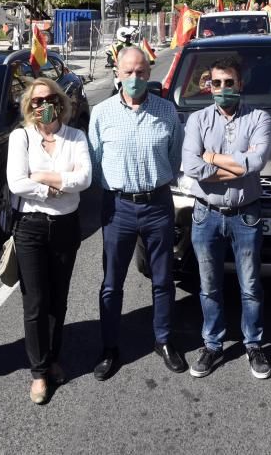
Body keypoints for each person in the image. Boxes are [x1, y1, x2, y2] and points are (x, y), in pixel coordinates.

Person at [89, 46, 186, 380]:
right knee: (112, 283)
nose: (134, 78)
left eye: (141, 72)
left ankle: (163, 340)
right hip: (118, 207)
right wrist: (118, 186)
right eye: (128, 72)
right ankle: (109, 347)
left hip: (158, 204)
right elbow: (96, 159)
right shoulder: (100, 114)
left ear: (149, 73)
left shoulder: (166, 111)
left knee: (162, 279)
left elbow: (174, 157)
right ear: (117, 72)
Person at [182, 57, 271, 380]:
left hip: (245, 214)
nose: (222, 89)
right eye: (216, 83)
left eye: (228, 83)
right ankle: (213, 344)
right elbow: (191, 167)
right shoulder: (197, 120)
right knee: (208, 285)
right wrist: (236, 165)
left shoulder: (259, 117)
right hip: (206, 215)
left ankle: (254, 344)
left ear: (240, 84)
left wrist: (212, 160)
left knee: (250, 285)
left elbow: (257, 161)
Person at [6, 77, 92, 404]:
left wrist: (40, 177)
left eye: (50, 99)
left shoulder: (75, 137)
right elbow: (16, 183)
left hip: (66, 226)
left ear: (60, 102)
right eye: (37, 101)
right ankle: (39, 371)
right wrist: (52, 188)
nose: (44, 106)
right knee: (36, 302)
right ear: (29, 107)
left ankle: (54, 358)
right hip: (31, 227)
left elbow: (84, 178)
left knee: (59, 300)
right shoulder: (21, 137)